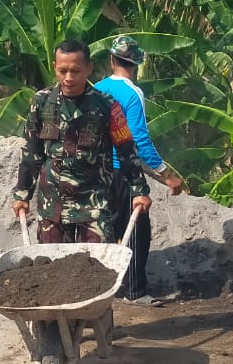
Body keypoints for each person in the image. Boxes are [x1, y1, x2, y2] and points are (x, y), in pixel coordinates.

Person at [12, 39, 152, 243]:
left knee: (97, 267)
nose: (68, 78)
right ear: (54, 68)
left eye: (75, 71)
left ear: (89, 68)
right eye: (62, 71)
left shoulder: (107, 106)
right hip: (53, 203)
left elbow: (126, 150)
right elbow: (31, 152)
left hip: (94, 202)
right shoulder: (41, 102)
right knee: (51, 267)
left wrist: (139, 190)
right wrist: (22, 193)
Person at [94, 34, 185, 306]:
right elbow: (139, 141)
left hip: (97, 173)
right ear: (136, 64)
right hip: (123, 171)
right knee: (137, 230)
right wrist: (166, 174)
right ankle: (134, 291)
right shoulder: (133, 93)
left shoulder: (96, 88)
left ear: (112, 60)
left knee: (104, 230)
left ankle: (100, 290)